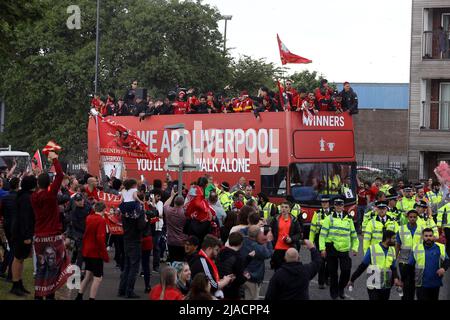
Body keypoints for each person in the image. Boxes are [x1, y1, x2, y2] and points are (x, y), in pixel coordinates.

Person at [31, 151, 71, 300]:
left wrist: (37, 175)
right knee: (53, 268)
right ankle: (49, 296)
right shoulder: (50, 195)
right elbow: (60, 175)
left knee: (41, 268)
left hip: (39, 236)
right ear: (49, 184)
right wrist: (55, 160)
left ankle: (38, 295)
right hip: (52, 236)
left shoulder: (34, 197)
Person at [319, 198, 359, 299]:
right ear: (334, 206)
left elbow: (354, 235)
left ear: (343, 206)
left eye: (340, 205)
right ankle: (334, 292)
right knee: (333, 272)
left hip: (344, 249)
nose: (339, 207)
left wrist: (355, 247)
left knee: (346, 271)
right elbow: (322, 235)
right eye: (337, 205)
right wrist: (322, 248)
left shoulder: (348, 219)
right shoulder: (329, 218)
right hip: (331, 247)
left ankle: (341, 288)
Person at [348, 230, 400, 300]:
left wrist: (396, 278)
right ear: (387, 239)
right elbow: (362, 266)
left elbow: (393, 267)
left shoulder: (392, 250)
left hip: (386, 284)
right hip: (373, 283)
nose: (395, 240)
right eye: (393, 238)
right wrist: (352, 279)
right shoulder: (372, 249)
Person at [118, 186, 148, 299]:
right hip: (135, 239)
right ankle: (129, 290)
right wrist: (146, 221)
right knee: (134, 267)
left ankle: (122, 289)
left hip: (126, 237)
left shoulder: (124, 207)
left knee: (127, 265)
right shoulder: (138, 208)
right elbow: (141, 226)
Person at [75, 202, 109, 300]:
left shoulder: (89, 218)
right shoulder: (101, 221)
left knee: (88, 275)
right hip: (95, 253)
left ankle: (79, 296)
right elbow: (100, 239)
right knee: (98, 278)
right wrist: (105, 255)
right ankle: (91, 298)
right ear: (103, 210)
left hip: (87, 251)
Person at [9, 176, 36, 296]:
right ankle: (15, 284)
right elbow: (25, 218)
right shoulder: (26, 198)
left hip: (20, 232)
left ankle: (19, 283)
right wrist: (26, 236)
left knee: (20, 259)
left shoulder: (24, 195)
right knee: (18, 258)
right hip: (21, 233)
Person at [408, 228, 449, 300]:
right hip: (421, 284)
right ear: (423, 237)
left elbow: (447, 260)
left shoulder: (440, 247)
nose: (428, 238)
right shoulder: (416, 248)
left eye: (430, 236)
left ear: (433, 236)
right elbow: (410, 266)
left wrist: (443, 268)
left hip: (435, 283)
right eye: (426, 236)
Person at [189, 235, 234, 299]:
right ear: (209, 249)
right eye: (216, 250)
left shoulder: (202, 259)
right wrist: (226, 281)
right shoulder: (203, 261)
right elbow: (214, 286)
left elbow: (212, 281)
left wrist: (223, 280)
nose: (217, 253)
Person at [240, 225, 274, 300]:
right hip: (253, 277)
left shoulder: (243, 240)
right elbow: (269, 253)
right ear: (257, 235)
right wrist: (268, 241)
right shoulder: (257, 247)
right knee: (252, 298)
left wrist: (254, 227)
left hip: (243, 274)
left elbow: (243, 230)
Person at [396, 209, 422, 300]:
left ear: (417, 218)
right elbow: (398, 244)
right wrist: (395, 258)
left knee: (413, 284)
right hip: (404, 261)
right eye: (410, 217)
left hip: (416, 262)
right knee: (405, 284)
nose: (412, 219)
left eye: (414, 217)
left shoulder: (421, 229)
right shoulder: (401, 229)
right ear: (407, 218)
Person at [270, 202, 302, 271]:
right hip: (277, 247)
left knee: (288, 270)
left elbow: (299, 234)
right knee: (278, 269)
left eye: (286, 207)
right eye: (282, 207)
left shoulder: (294, 220)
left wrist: (291, 239)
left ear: (289, 209)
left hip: (289, 248)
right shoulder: (276, 218)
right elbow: (270, 229)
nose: (284, 209)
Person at [309, 196, 332, 289]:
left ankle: (327, 277)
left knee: (330, 261)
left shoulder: (333, 213)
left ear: (329, 203)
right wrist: (311, 241)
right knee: (321, 261)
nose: (324, 204)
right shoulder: (317, 213)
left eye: (326, 202)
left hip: (330, 239)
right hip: (319, 238)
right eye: (323, 202)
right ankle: (321, 282)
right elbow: (313, 228)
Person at [217, 232, 246, 300]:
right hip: (232, 290)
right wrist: (245, 277)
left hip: (220, 286)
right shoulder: (238, 258)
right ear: (241, 243)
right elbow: (239, 279)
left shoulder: (221, 252)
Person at [68, 193, 91, 270]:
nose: (80, 202)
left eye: (80, 200)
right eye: (78, 200)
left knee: (89, 252)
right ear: (75, 202)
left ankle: (88, 270)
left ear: (83, 199)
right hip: (80, 234)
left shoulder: (89, 208)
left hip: (89, 233)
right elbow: (75, 225)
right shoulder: (74, 212)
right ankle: (78, 270)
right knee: (80, 253)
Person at [164, 189, 188, 263]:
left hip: (171, 241)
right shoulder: (185, 213)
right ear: (183, 203)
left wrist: (172, 196)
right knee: (181, 261)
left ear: (174, 202)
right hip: (182, 242)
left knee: (172, 260)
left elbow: (165, 204)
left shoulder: (168, 211)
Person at [150, 189, 164, 272]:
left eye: (160, 196)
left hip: (158, 227)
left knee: (156, 247)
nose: (159, 198)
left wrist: (154, 205)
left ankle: (156, 266)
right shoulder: (149, 203)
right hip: (150, 227)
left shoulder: (160, 203)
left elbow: (160, 214)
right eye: (157, 196)